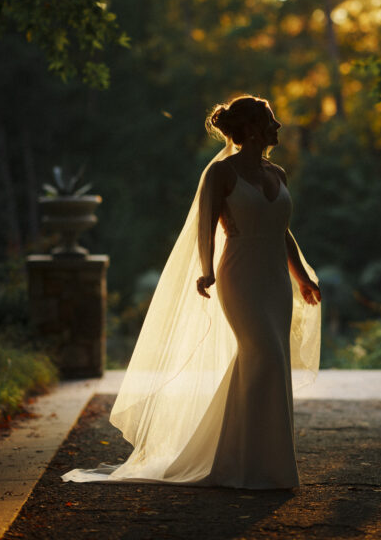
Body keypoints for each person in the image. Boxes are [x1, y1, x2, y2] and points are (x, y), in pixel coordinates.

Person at [62, 94, 321, 489]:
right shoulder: (222, 174)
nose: (279, 126)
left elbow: (281, 230)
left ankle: (264, 465)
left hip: (275, 282)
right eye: (270, 119)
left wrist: (301, 277)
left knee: (268, 361)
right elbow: (205, 224)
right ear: (251, 129)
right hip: (240, 277)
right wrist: (205, 270)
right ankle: (240, 464)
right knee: (263, 353)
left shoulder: (278, 174)